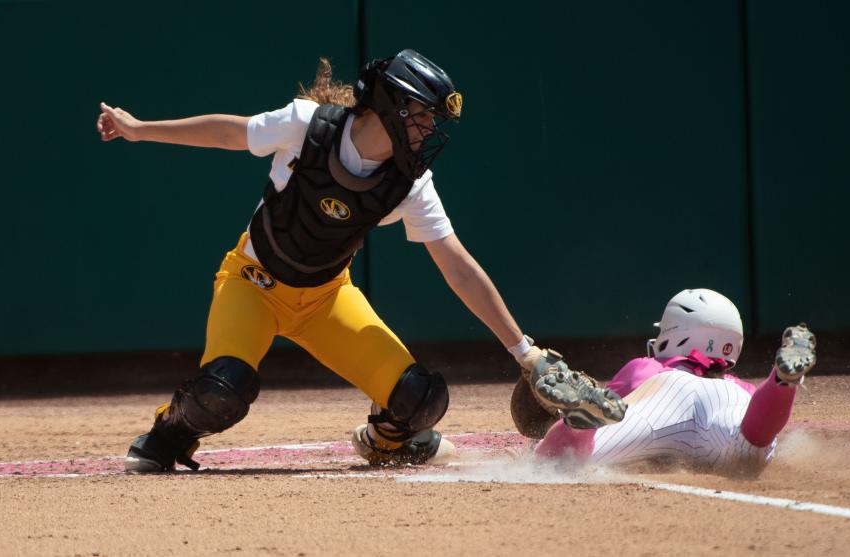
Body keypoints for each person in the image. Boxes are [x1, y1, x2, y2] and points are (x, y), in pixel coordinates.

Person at [97, 49, 626, 472]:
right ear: (390, 107)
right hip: (252, 284)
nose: (427, 130)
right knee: (221, 394)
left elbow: (457, 265)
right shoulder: (307, 126)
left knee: (421, 400)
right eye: (421, 116)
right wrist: (140, 128)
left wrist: (524, 352)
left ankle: (385, 442)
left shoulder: (411, 182)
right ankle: (171, 432)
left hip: (326, 300)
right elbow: (227, 132)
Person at [512, 288, 817, 475]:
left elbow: (614, 406)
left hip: (668, 393)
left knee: (562, 462)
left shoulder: (647, 367)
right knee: (751, 445)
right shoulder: (741, 387)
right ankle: (781, 381)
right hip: (733, 400)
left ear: (676, 332)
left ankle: (579, 422)